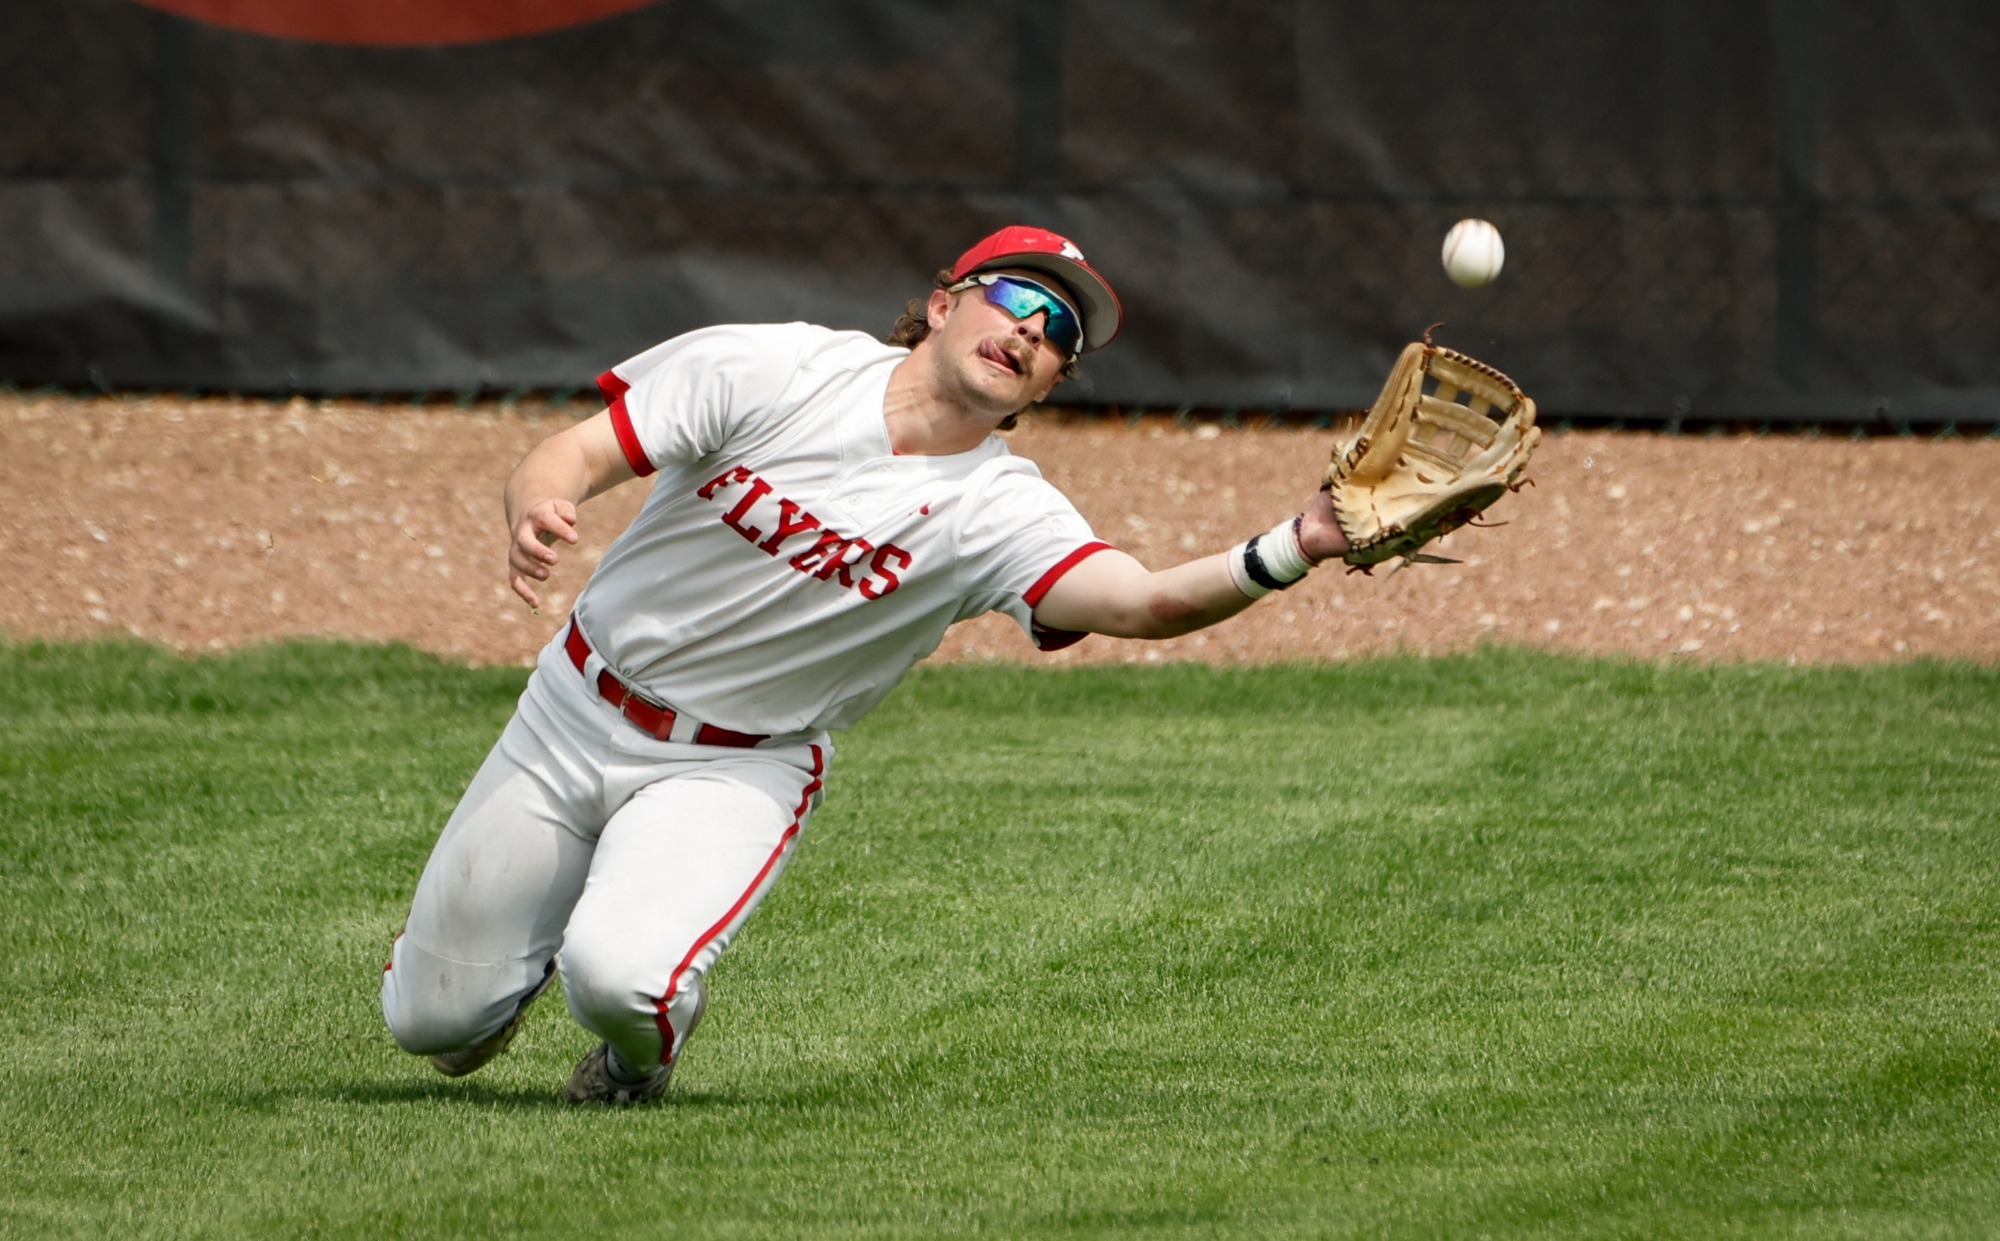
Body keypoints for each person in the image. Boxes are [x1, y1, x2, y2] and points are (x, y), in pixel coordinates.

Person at [379, 225, 1351, 1103]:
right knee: (430, 1028)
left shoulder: (999, 510)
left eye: (1059, 334)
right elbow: (570, 453)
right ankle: (505, 965)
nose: (1031, 331)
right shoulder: (773, 367)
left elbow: (1142, 601)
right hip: (569, 707)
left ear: (1051, 382)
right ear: (941, 302)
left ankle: (637, 1060)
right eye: (1016, 297)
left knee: (620, 978)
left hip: (733, 764)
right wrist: (538, 505)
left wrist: (1294, 543)